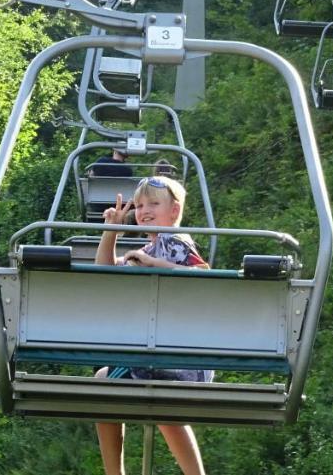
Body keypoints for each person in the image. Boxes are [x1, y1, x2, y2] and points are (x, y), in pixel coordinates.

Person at [93, 176, 209, 475]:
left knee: (108, 386)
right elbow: (105, 273)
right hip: (172, 361)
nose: (144, 210)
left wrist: (152, 263)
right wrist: (112, 231)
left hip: (174, 359)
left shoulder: (174, 242)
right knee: (157, 406)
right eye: (141, 204)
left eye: (154, 203)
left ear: (174, 211)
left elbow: (202, 274)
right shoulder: (149, 249)